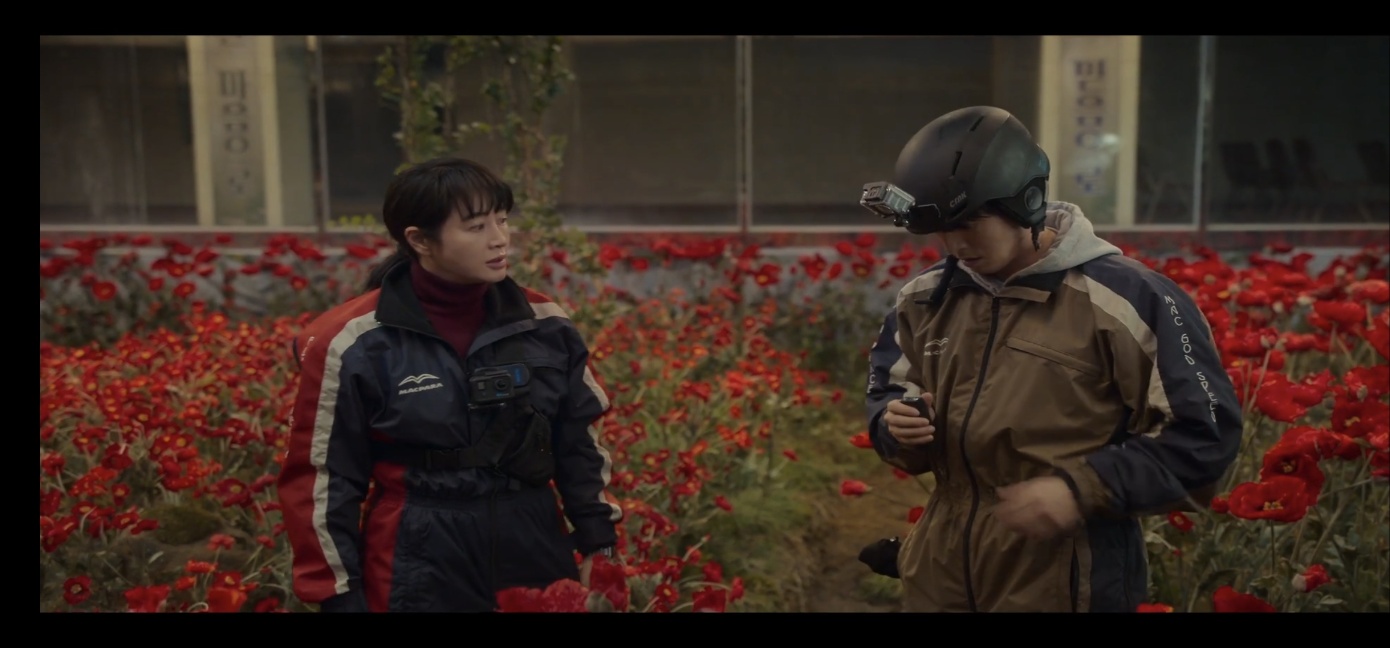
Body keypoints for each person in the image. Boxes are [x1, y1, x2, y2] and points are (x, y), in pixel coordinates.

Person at [861, 106, 1243, 613]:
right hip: (941, 572)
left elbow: (1205, 437)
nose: (955, 244)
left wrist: (1080, 488)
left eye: (970, 222)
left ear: (1026, 202)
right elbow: (887, 392)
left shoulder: (1127, 300)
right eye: (941, 229)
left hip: (1068, 575)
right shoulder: (924, 299)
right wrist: (897, 428)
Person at [276, 157, 623, 613]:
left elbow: (579, 445)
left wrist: (600, 544)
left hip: (533, 540)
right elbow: (321, 476)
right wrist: (337, 594)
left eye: (502, 220)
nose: (499, 239)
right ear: (419, 240)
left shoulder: (545, 325)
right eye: (476, 227)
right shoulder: (353, 341)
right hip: (416, 551)